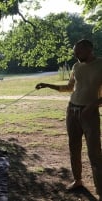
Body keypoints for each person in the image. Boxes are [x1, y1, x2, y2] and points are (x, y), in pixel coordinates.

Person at [35, 39, 102, 200]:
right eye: (74, 52)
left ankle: (100, 191)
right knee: (74, 148)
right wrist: (47, 85)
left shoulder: (100, 65)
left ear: (89, 49)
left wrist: (93, 105)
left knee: (95, 153)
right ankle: (78, 180)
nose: (76, 55)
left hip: (89, 114)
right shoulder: (76, 66)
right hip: (72, 111)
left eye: (78, 52)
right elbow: (69, 88)